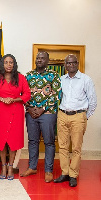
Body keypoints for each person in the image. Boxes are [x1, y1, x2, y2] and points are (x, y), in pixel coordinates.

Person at [54, 54, 97, 187]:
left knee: (76, 148)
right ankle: (65, 172)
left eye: (73, 63)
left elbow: (93, 101)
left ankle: (73, 175)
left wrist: (84, 116)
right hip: (62, 115)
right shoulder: (61, 80)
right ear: (65, 65)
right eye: (68, 63)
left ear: (77, 64)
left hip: (78, 116)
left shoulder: (86, 80)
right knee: (62, 146)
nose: (71, 65)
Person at [20, 51, 61, 183]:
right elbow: (23, 93)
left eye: (42, 58)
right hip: (31, 113)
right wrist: (29, 108)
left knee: (49, 142)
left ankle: (48, 170)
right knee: (32, 141)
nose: (39, 60)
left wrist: (42, 109)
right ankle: (32, 167)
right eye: (38, 58)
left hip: (47, 113)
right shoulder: (29, 75)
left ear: (47, 61)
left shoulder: (53, 75)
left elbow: (56, 95)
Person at [0, 54, 31, 180]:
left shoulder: (21, 78)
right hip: (1, 111)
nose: (8, 65)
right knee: (2, 140)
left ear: (14, 64)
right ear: (2, 64)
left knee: (13, 140)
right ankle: (4, 166)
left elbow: (27, 94)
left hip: (16, 111)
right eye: (6, 62)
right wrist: (1, 99)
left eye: (11, 62)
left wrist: (14, 99)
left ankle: (11, 167)